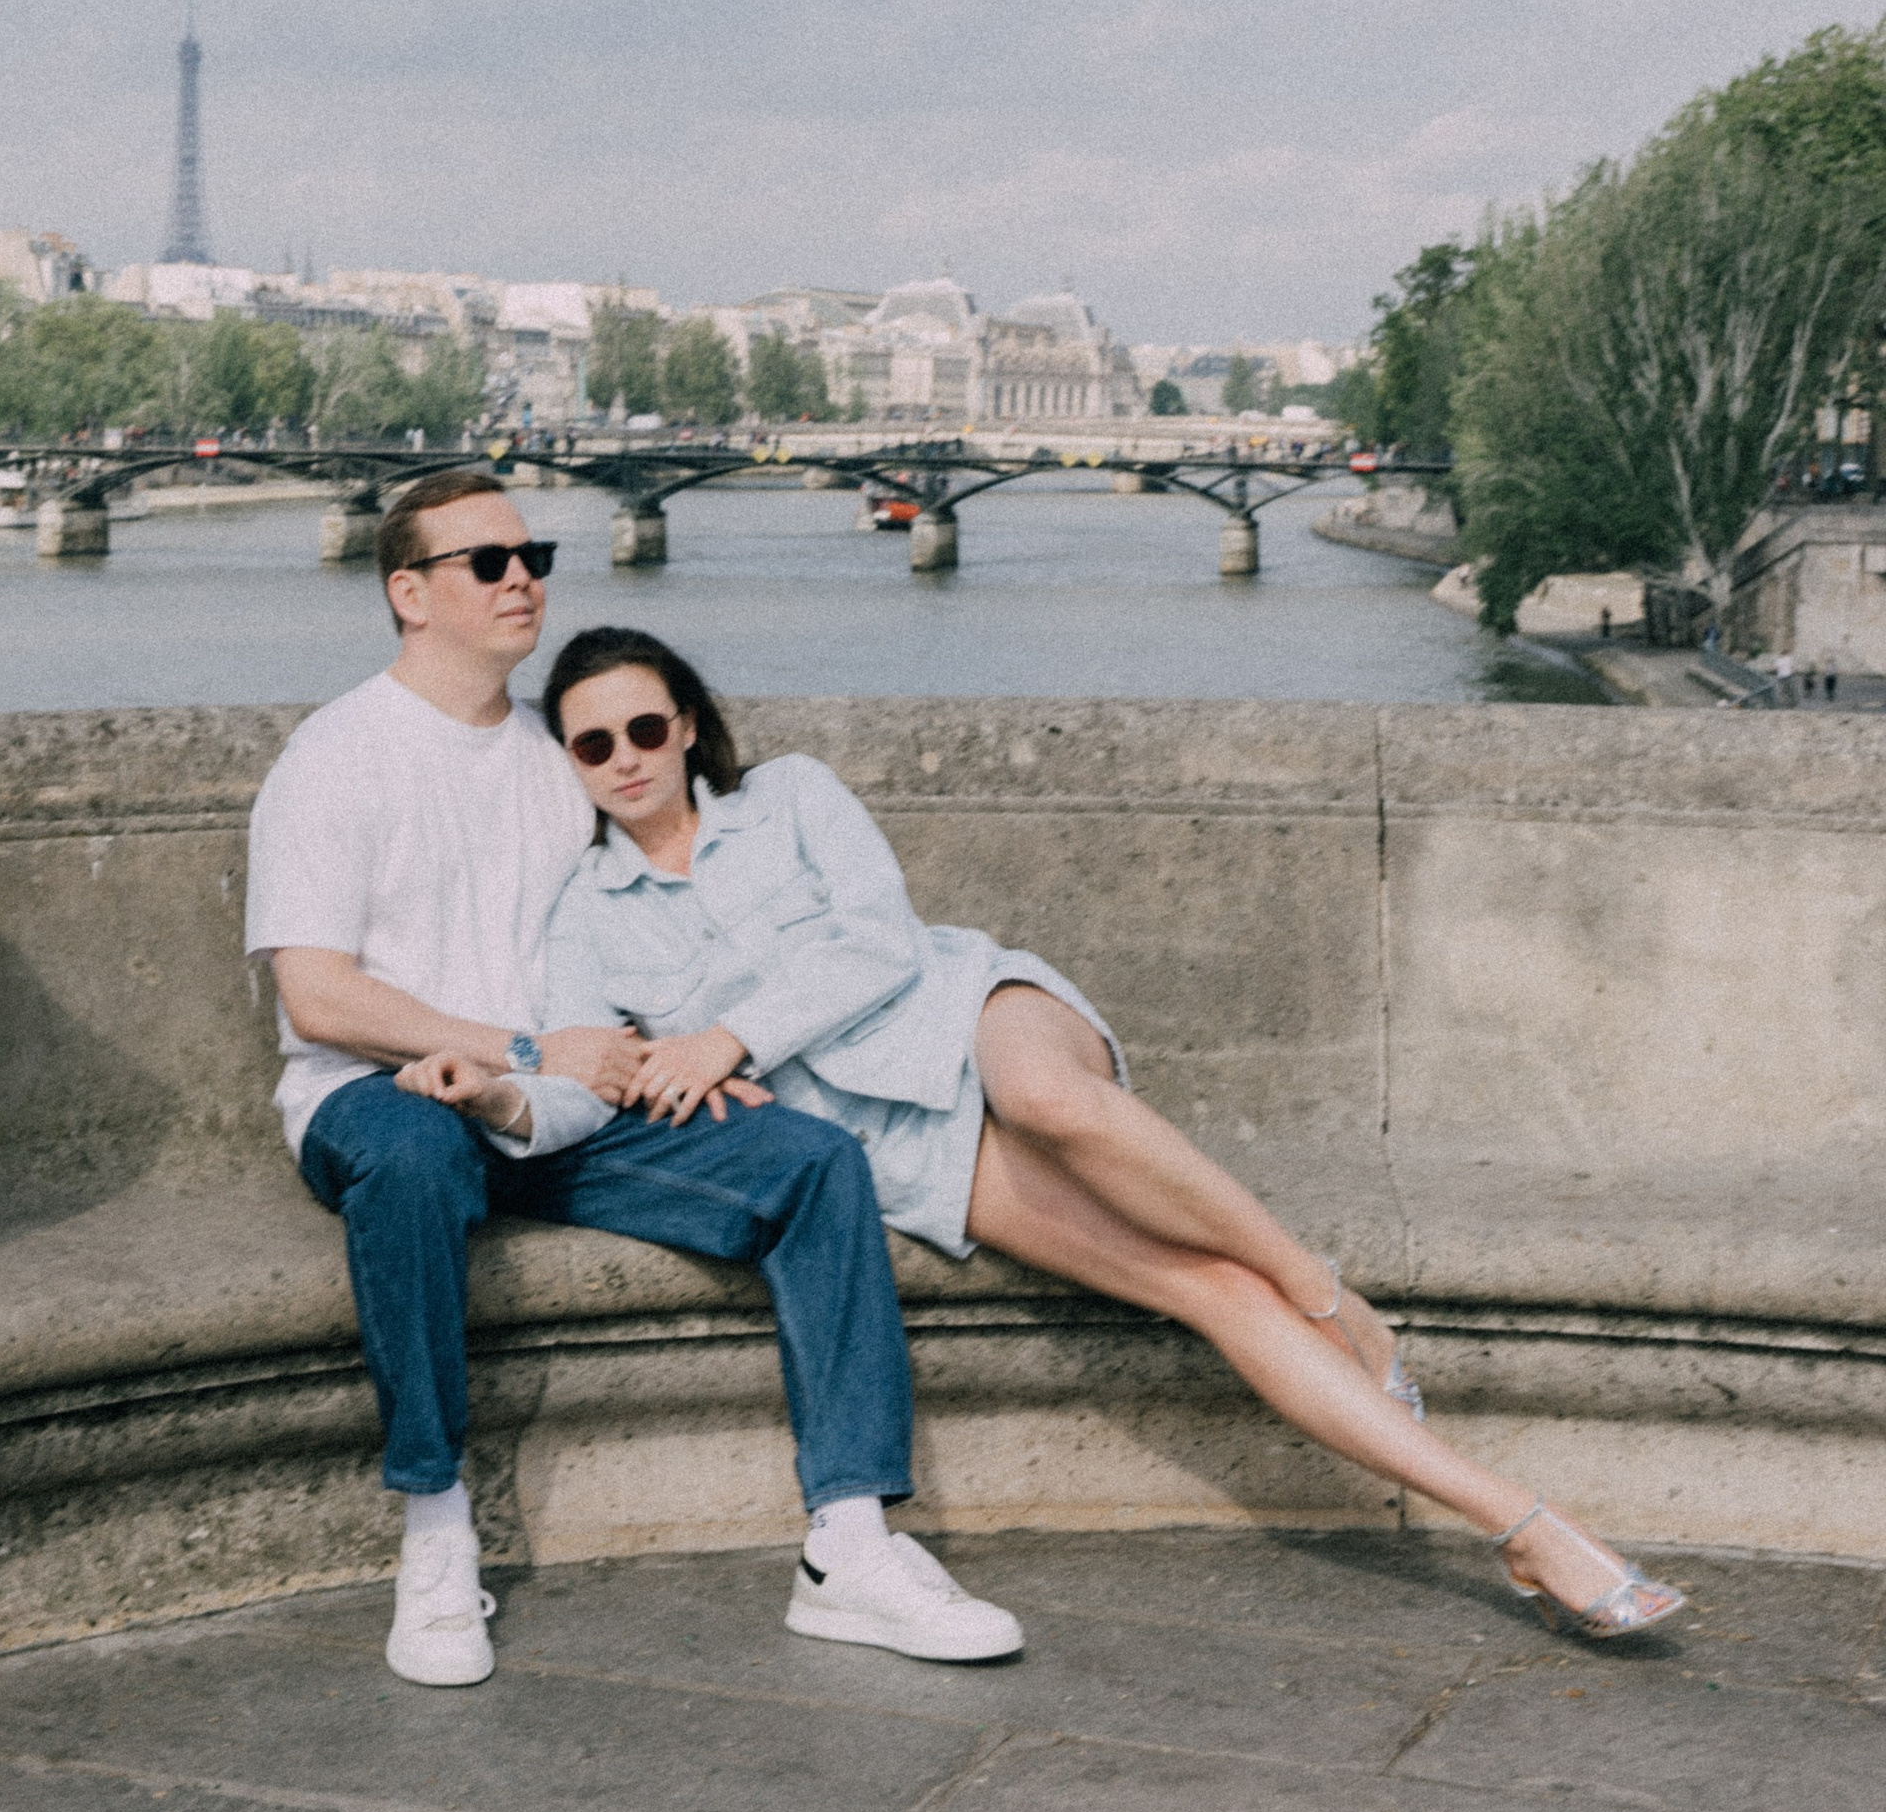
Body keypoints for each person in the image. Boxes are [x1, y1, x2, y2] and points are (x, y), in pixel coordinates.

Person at [529, 626, 1688, 1651]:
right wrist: (593, 1068)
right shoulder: (585, 910)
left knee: (1056, 1100)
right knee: (1207, 1290)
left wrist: (721, 1039)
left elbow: (880, 940)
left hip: (959, 1010)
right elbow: (597, 1061)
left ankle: (1327, 1293)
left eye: (643, 725)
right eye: (592, 744)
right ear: (571, 766)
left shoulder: (791, 793)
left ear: (685, 725)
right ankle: (1525, 1527)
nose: (625, 757)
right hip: (892, 1138)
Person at [244, 465, 1025, 1690]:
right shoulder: (337, 755)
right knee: (413, 1153)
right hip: (380, 1090)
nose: (523, 579)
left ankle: (851, 1544)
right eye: (486, 562)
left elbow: (647, 928)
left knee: (811, 1164)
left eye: (532, 554)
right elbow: (317, 996)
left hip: (557, 1102)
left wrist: (695, 1050)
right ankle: (437, 1528)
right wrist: (505, 1051)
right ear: (408, 592)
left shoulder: (560, 757)